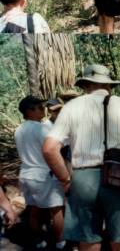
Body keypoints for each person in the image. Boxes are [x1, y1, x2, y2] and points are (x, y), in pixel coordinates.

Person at [43, 64, 120, 251]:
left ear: (84, 85)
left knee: (88, 240)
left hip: (83, 181)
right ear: (109, 85)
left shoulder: (71, 107)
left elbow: (50, 149)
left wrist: (66, 180)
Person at [15, 96, 66, 250]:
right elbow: (54, 149)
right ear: (30, 111)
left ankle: (38, 242)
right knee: (57, 211)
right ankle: (61, 244)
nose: (43, 108)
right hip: (44, 175)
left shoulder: (19, 129)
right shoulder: (42, 128)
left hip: (26, 174)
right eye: (39, 106)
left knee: (34, 210)